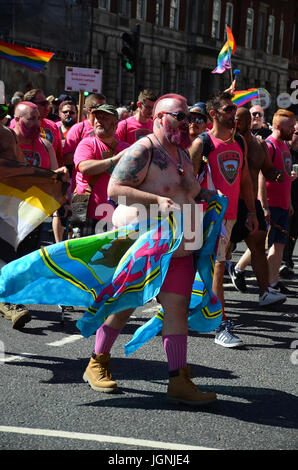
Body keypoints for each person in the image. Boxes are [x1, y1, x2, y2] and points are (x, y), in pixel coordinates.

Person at [82, 93, 217, 406]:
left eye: (190, 117)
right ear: (160, 118)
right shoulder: (143, 149)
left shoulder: (182, 154)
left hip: (181, 248)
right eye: (180, 116)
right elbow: (116, 190)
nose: (188, 122)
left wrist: (207, 196)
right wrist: (156, 201)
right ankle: (97, 362)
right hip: (146, 244)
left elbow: (187, 192)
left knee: (177, 310)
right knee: (125, 305)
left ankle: (177, 379)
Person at [189, 91, 258, 348]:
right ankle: (219, 325)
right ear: (213, 115)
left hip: (229, 218)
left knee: (215, 266)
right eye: (228, 110)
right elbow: (188, 185)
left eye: (234, 110)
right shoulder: (202, 144)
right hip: (205, 217)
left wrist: (251, 212)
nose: (234, 114)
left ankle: (205, 316)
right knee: (214, 267)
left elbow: (246, 180)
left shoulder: (239, 142)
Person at [0, 101, 68, 329]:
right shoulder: (7, 139)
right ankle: (9, 303)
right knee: (6, 256)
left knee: (23, 259)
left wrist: (61, 195)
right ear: (17, 120)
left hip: (32, 214)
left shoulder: (46, 145)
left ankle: (10, 300)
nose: (38, 124)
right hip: (5, 209)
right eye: (32, 119)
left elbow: (54, 175)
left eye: (39, 118)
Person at [227, 107, 286, 306]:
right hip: (231, 203)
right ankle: (209, 297)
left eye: (242, 120)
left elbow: (267, 170)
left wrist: (275, 175)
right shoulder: (227, 143)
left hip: (251, 204)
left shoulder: (259, 145)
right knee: (221, 250)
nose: (239, 123)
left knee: (259, 248)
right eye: (237, 119)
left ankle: (264, 293)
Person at [73, 104, 129, 237]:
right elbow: (85, 168)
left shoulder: (126, 147)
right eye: (97, 117)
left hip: (115, 213)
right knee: (83, 254)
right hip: (85, 209)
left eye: (104, 118)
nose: (98, 121)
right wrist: (116, 159)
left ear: (116, 123)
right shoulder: (87, 143)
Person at [258, 109, 297, 296]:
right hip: (270, 204)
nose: (294, 130)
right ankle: (239, 269)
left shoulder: (285, 146)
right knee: (261, 246)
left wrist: (289, 202)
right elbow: (260, 178)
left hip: (282, 204)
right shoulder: (268, 145)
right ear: (278, 126)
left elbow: (286, 178)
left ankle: (273, 283)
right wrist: (264, 205)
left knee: (279, 246)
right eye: (291, 127)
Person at [280, 122, 298, 277]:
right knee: (284, 229)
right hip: (284, 195)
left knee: (294, 230)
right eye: (296, 133)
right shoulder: (284, 149)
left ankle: (287, 260)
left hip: (297, 196)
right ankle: (282, 261)